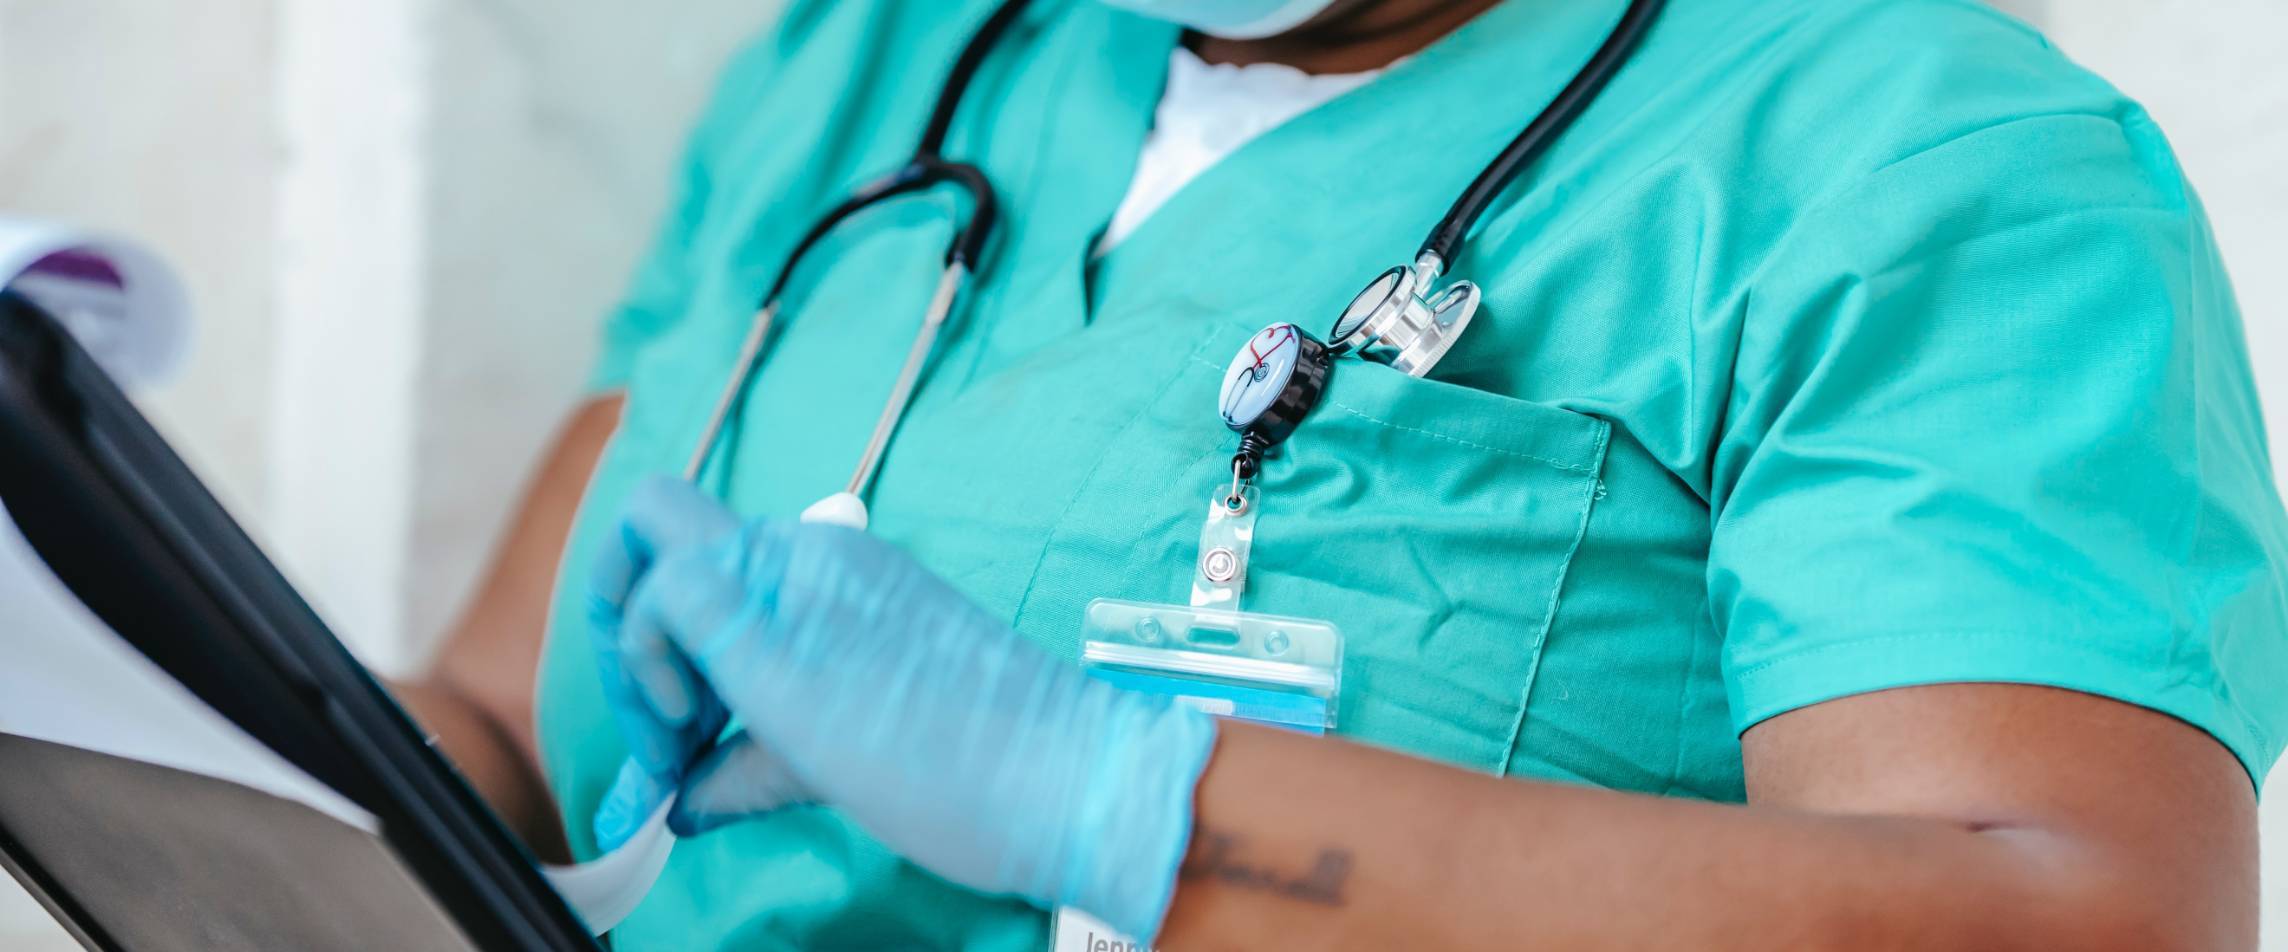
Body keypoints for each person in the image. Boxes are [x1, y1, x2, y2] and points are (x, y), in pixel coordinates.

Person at [393, 0, 2288, 947]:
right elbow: (488, 709)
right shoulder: (890, 56)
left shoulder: (1919, 158)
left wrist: (1123, 804)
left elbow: (2073, 917)